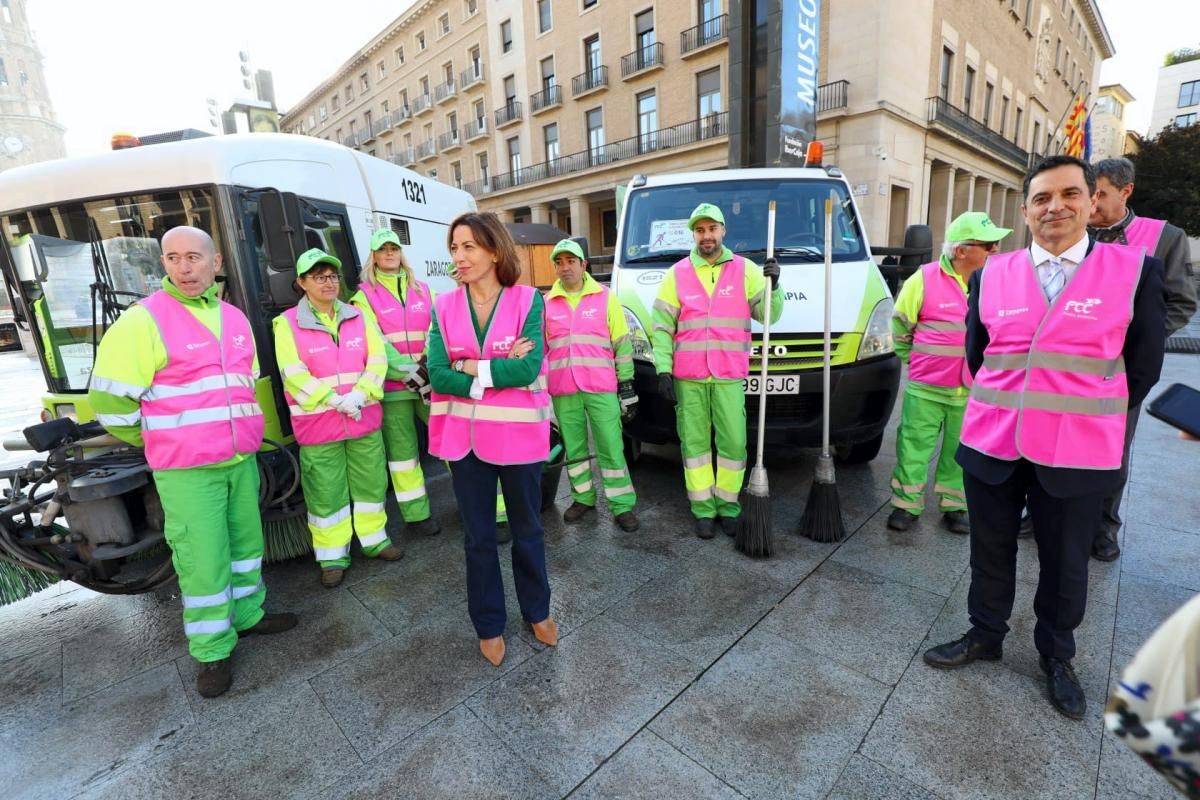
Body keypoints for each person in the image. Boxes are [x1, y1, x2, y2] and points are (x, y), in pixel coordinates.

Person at [924, 155, 1166, 720]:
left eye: (1069, 194)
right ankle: (985, 634)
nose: (1055, 206)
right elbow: (978, 355)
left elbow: (1144, 365)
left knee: (1065, 563)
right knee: (988, 550)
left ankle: (1057, 656)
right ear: (1027, 210)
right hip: (993, 444)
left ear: (1091, 203)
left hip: (1076, 451)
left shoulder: (1134, 271)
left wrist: (1088, 414)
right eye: (1041, 198)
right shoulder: (991, 274)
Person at [88, 226, 297, 699]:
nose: (184, 267)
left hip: (240, 461)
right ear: (163, 263)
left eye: (194, 258)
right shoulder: (144, 321)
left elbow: (245, 386)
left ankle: (248, 615)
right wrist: (156, 437)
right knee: (202, 560)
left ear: (215, 262)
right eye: (173, 258)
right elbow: (108, 401)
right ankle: (211, 650)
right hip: (186, 471)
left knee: (246, 545)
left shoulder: (234, 318)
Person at [427, 212, 557, 667]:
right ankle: (488, 624)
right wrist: (486, 370)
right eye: (454, 248)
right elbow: (438, 374)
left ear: (495, 250)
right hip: (463, 441)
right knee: (478, 538)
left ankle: (537, 610)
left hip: (519, 437)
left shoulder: (528, 301)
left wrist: (471, 366)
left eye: (468, 247)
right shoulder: (442, 307)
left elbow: (528, 368)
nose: (458, 257)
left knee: (529, 530)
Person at [1086, 156, 1198, 562]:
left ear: (1126, 190)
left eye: (1101, 194)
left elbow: (1182, 302)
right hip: (1066, 366)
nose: (1091, 203)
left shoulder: (1164, 237)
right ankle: (1042, 512)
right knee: (1054, 440)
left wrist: (1138, 342)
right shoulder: (1072, 229)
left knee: (1113, 450)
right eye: (1089, 193)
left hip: (1123, 368)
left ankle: (1104, 527)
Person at [650, 202, 782, 539]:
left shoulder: (747, 270)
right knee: (694, 447)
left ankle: (729, 506)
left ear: (723, 231)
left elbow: (769, 316)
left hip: (728, 374)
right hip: (688, 377)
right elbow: (662, 328)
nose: (706, 236)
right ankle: (703, 510)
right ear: (693, 234)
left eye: (712, 229)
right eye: (700, 230)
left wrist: (775, 286)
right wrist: (663, 370)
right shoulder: (676, 274)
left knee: (734, 445)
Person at [273, 248, 401, 588]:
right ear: (301, 282)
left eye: (332, 276)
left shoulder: (359, 315)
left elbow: (377, 360)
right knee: (325, 494)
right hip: (319, 426)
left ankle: (375, 540)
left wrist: (359, 395)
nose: (328, 282)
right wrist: (335, 400)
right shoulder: (286, 324)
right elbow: (293, 374)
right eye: (318, 277)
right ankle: (332, 556)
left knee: (371, 484)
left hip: (363, 418)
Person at [887, 212, 1011, 535]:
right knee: (913, 446)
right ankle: (905, 505)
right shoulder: (923, 279)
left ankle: (955, 506)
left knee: (961, 453)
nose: (995, 249)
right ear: (961, 250)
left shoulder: (996, 282)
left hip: (971, 391)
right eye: (987, 244)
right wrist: (912, 360)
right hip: (926, 388)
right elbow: (900, 324)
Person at [350, 229, 441, 538]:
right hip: (394, 389)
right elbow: (373, 342)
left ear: (401, 252)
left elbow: (437, 330)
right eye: (382, 249)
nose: (389, 253)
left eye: (394, 248)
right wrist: (409, 372)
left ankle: (482, 507)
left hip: (429, 381)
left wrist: (427, 366)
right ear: (373, 256)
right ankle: (417, 517)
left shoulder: (424, 289)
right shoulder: (363, 295)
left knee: (453, 444)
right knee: (404, 457)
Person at [544, 239, 640, 531]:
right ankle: (583, 498)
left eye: (570, 261)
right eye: (559, 263)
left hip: (600, 387)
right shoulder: (547, 303)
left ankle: (621, 505)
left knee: (611, 447)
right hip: (563, 389)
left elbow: (622, 344)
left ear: (583, 264)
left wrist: (627, 385)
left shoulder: (605, 297)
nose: (565, 268)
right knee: (574, 449)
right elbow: (543, 351)